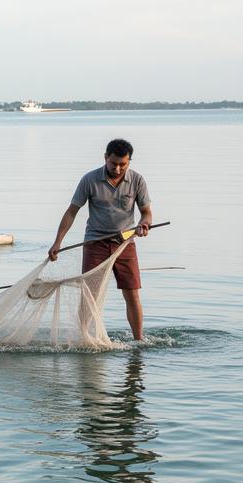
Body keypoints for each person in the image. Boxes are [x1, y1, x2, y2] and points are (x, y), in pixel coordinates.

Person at [47, 138, 153, 340]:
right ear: (105, 158)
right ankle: (84, 338)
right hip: (95, 243)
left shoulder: (137, 180)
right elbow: (72, 212)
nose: (119, 168)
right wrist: (57, 242)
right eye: (114, 163)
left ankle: (139, 340)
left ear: (129, 161)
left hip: (125, 244)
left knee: (132, 294)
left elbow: (146, 212)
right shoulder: (90, 179)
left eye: (124, 164)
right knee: (89, 296)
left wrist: (144, 224)